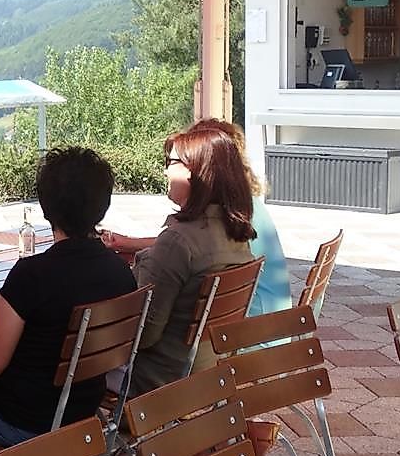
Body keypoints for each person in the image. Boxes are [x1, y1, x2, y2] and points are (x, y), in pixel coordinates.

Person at [0, 147, 135, 447]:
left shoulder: (32, 275)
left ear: (47, 208)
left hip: (18, 421)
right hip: (83, 413)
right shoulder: (121, 272)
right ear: (103, 205)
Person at [104, 118, 290, 318]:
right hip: (255, 318)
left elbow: (183, 249)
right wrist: (129, 244)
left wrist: (139, 254)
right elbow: (190, 247)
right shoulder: (238, 209)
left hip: (250, 322)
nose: (165, 171)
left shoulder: (234, 215)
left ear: (203, 164)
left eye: (173, 162)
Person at [122, 127, 255, 397]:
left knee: (78, 367)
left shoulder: (178, 242)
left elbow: (143, 335)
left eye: (171, 162)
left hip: (159, 384)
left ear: (196, 170)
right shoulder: (237, 234)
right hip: (209, 376)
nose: (165, 171)